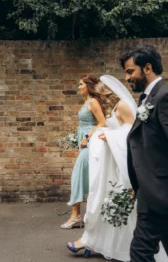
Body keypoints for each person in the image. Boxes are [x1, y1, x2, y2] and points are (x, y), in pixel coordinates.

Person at [66, 75, 167, 261]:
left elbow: (133, 134)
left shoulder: (122, 106)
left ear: (108, 90)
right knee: (105, 202)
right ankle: (93, 241)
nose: (98, 91)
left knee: (117, 205)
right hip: (112, 161)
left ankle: (111, 245)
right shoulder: (113, 107)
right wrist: (105, 135)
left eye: (101, 88)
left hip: (122, 165)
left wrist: (109, 137)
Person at [120, 44, 168, 262]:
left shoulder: (164, 96)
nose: (127, 77)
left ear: (147, 68)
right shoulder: (148, 98)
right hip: (151, 191)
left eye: (130, 71)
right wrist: (139, 185)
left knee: (140, 253)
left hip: (160, 193)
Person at [61, 74, 106, 229]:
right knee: (85, 177)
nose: (78, 87)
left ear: (88, 86)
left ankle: (76, 216)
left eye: (81, 84)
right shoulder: (87, 101)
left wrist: (87, 136)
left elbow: (103, 123)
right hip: (85, 144)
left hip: (91, 143)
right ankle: (83, 215)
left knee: (78, 176)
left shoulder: (93, 102)